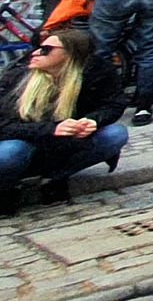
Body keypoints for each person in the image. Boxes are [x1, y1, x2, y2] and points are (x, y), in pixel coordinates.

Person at [0, 28, 128, 213]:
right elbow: (3, 125)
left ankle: (54, 178)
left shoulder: (95, 74)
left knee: (115, 134)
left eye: (46, 49)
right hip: (22, 144)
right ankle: (5, 188)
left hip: (61, 147)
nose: (35, 53)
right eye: (38, 47)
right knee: (11, 151)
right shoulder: (18, 76)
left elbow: (114, 104)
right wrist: (52, 129)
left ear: (69, 54)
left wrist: (91, 121)